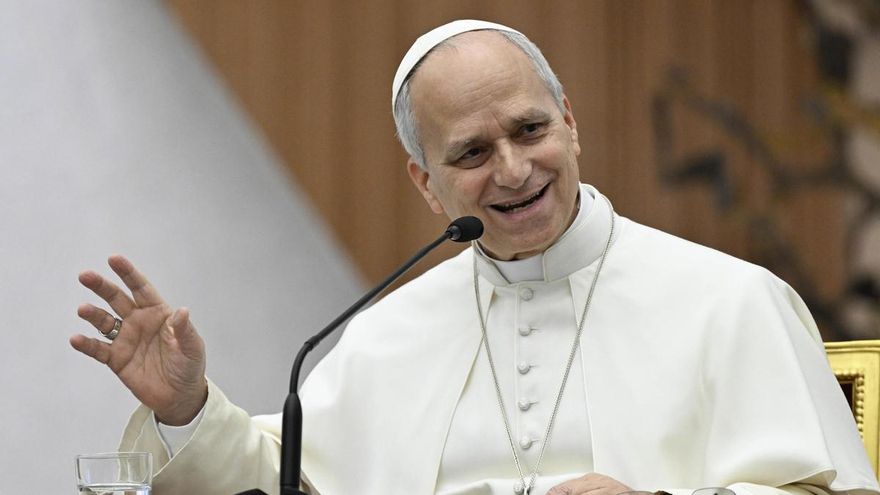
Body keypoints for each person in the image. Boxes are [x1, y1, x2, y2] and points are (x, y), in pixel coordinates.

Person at [70, 20, 879, 495]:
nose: (515, 169)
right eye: (472, 152)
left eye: (530, 131)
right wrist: (188, 408)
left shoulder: (732, 300)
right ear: (427, 184)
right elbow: (291, 481)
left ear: (570, 121)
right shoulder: (389, 335)